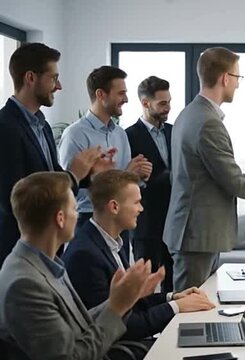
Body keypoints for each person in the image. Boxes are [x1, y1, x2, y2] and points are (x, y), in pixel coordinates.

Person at [0, 172, 164, 360]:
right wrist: (116, 307)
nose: (78, 216)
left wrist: (122, 300)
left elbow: (79, 324)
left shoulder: (43, 263)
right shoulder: (24, 284)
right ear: (60, 219)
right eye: (74, 209)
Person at [164, 47, 245, 291]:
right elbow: (232, 179)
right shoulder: (207, 123)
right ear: (225, 78)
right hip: (197, 234)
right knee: (190, 310)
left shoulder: (189, 114)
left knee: (196, 306)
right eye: (237, 78)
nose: (238, 85)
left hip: (195, 232)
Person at [62, 170, 214, 341]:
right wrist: (176, 307)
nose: (141, 209)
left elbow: (129, 304)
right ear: (114, 207)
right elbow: (122, 326)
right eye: (136, 203)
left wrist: (172, 297)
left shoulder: (111, 241)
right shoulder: (85, 256)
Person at [0, 43, 107, 267]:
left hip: (47, 247)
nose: (58, 86)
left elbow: (51, 175)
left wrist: (89, 172)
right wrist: (73, 176)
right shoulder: (5, 127)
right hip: (19, 251)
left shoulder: (42, 126)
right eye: (54, 77)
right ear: (30, 77)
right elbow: (17, 196)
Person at [58, 65, 153, 229]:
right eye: (121, 93)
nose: (127, 99)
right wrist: (124, 177)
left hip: (120, 218)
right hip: (88, 220)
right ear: (101, 94)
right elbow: (69, 189)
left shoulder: (120, 134)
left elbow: (125, 179)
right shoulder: (75, 134)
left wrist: (138, 176)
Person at [126, 76, 174, 292]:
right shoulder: (128, 136)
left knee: (173, 286)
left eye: (169, 102)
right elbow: (126, 180)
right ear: (146, 103)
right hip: (145, 223)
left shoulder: (175, 131)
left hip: (174, 223)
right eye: (162, 103)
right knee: (143, 288)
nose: (168, 108)